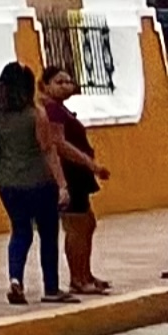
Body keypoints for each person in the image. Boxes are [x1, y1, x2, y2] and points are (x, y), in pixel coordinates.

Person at [0, 56, 68, 302]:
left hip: (7, 182)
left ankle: (15, 278)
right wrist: (62, 184)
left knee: (20, 232)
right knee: (48, 233)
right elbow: (48, 150)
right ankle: (51, 288)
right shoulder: (35, 115)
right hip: (39, 182)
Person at [46, 57, 109, 296]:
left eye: (68, 81)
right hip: (69, 173)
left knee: (88, 223)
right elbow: (59, 144)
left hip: (78, 174)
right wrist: (90, 164)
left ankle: (86, 273)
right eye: (59, 81)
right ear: (46, 85)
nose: (65, 85)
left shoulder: (61, 110)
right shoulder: (52, 111)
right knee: (76, 226)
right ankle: (78, 278)